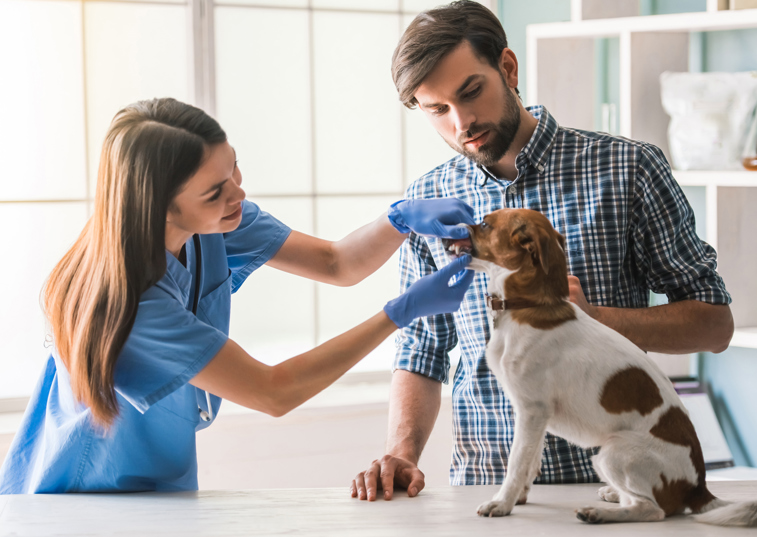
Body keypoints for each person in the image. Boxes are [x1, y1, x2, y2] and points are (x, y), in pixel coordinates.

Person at [351, 0, 734, 502]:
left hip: (612, 486)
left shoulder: (628, 170)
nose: (462, 122)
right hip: (484, 491)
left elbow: (714, 324)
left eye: (471, 92)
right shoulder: (428, 204)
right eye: (437, 110)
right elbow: (421, 349)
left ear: (507, 68)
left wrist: (593, 317)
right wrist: (401, 453)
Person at [0, 97, 478, 494]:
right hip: (83, 498)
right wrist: (401, 312)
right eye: (215, 191)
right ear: (161, 206)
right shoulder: (129, 305)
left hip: (161, 486)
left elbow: (336, 262)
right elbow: (273, 392)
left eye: (234, 169)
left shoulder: (213, 223)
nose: (238, 195)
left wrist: (398, 220)